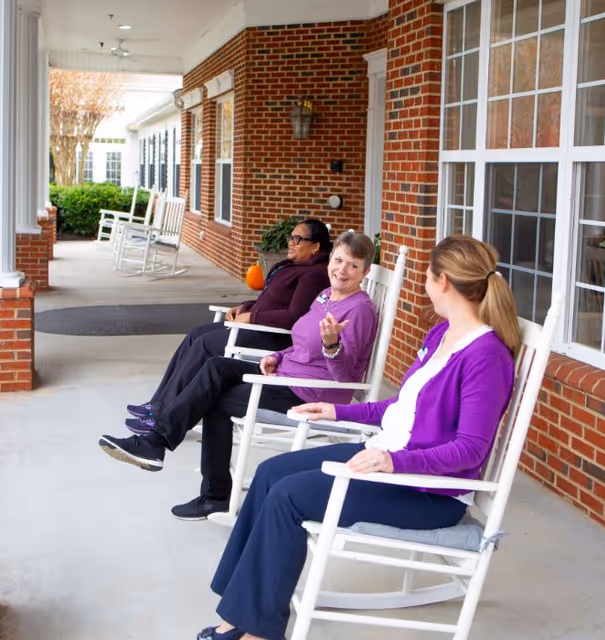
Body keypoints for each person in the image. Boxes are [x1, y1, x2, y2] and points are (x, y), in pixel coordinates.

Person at [198, 235, 521, 640]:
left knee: (290, 495)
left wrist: (393, 462)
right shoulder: (442, 335)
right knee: (270, 473)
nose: (423, 283)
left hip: (426, 492)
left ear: (443, 282)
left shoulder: (486, 357)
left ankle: (259, 631)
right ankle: (241, 610)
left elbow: (470, 448)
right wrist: (338, 410)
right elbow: (403, 408)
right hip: (387, 457)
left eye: (426, 275)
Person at [99, 232, 379, 520]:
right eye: (338, 260)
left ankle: (211, 492)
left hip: (311, 392)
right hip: (286, 373)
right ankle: (157, 443)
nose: (342, 270)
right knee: (217, 366)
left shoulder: (359, 310)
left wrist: (331, 343)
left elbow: (345, 376)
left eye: (353, 265)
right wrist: (277, 356)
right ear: (329, 259)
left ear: (365, 272)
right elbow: (299, 342)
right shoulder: (325, 295)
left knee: (216, 401)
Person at [124, 219, 333, 433]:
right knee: (197, 334)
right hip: (259, 328)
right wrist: (244, 307)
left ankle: (160, 416)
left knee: (205, 344)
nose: (291, 242)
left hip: (274, 338)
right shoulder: (299, 267)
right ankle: (157, 404)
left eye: (298, 239)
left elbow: (294, 316)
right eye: (291, 237)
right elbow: (273, 300)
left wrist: (251, 317)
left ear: (315, 246)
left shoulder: (314, 275)